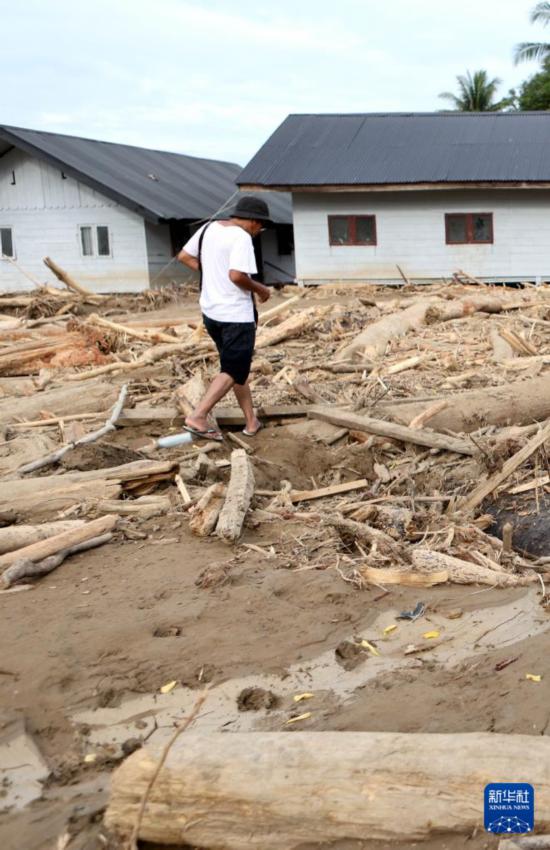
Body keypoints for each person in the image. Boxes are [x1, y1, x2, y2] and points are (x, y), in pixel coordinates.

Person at [177, 195, 272, 440]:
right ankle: (198, 416)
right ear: (254, 221)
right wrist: (261, 289)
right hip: (235, 316)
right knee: (232, 368)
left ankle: (251, 421)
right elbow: (237, 276)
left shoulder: (208, 229)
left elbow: (184, 256)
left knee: (237, 368)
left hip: (211, 313)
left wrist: (212, 271)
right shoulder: (241, 237)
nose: (258, 232)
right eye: (260, 227)